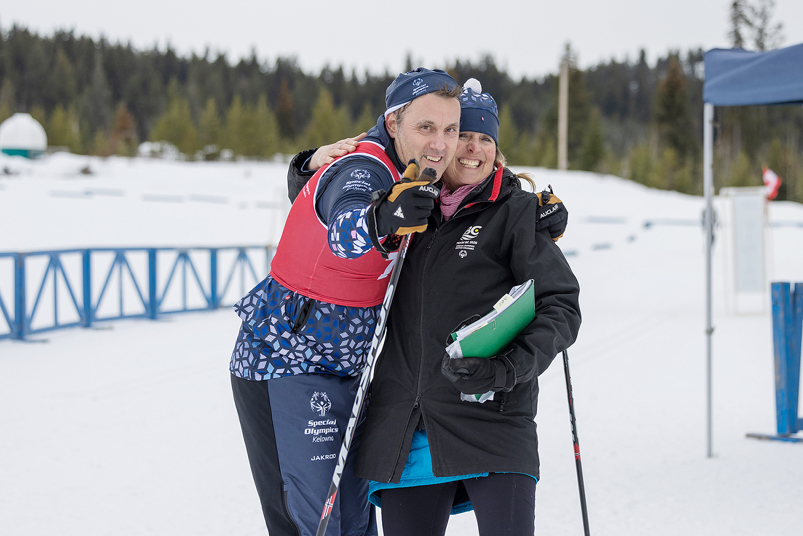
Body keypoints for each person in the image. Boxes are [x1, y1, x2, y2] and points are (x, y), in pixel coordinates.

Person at [298, 78, 580, 536]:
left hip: (491, 416)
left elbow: (561, 305)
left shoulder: (516, 212)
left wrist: (508, 367)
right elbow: (335, 199)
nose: (471, 149)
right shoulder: (406, 205)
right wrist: (305, 165)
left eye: (484, 138)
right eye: (460, 135)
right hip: (405, 425)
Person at [229, 67, 462, 536]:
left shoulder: (420, 172)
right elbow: (345, 225)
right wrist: (383, 219)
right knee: (314, 522)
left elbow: (483, 170)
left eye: (450, 129)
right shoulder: (365, 168)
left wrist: (533, 209)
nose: (441, 143)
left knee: (355, 521)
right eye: (426, 127)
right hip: (285, 363)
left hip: (350, 374)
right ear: (394, 124)